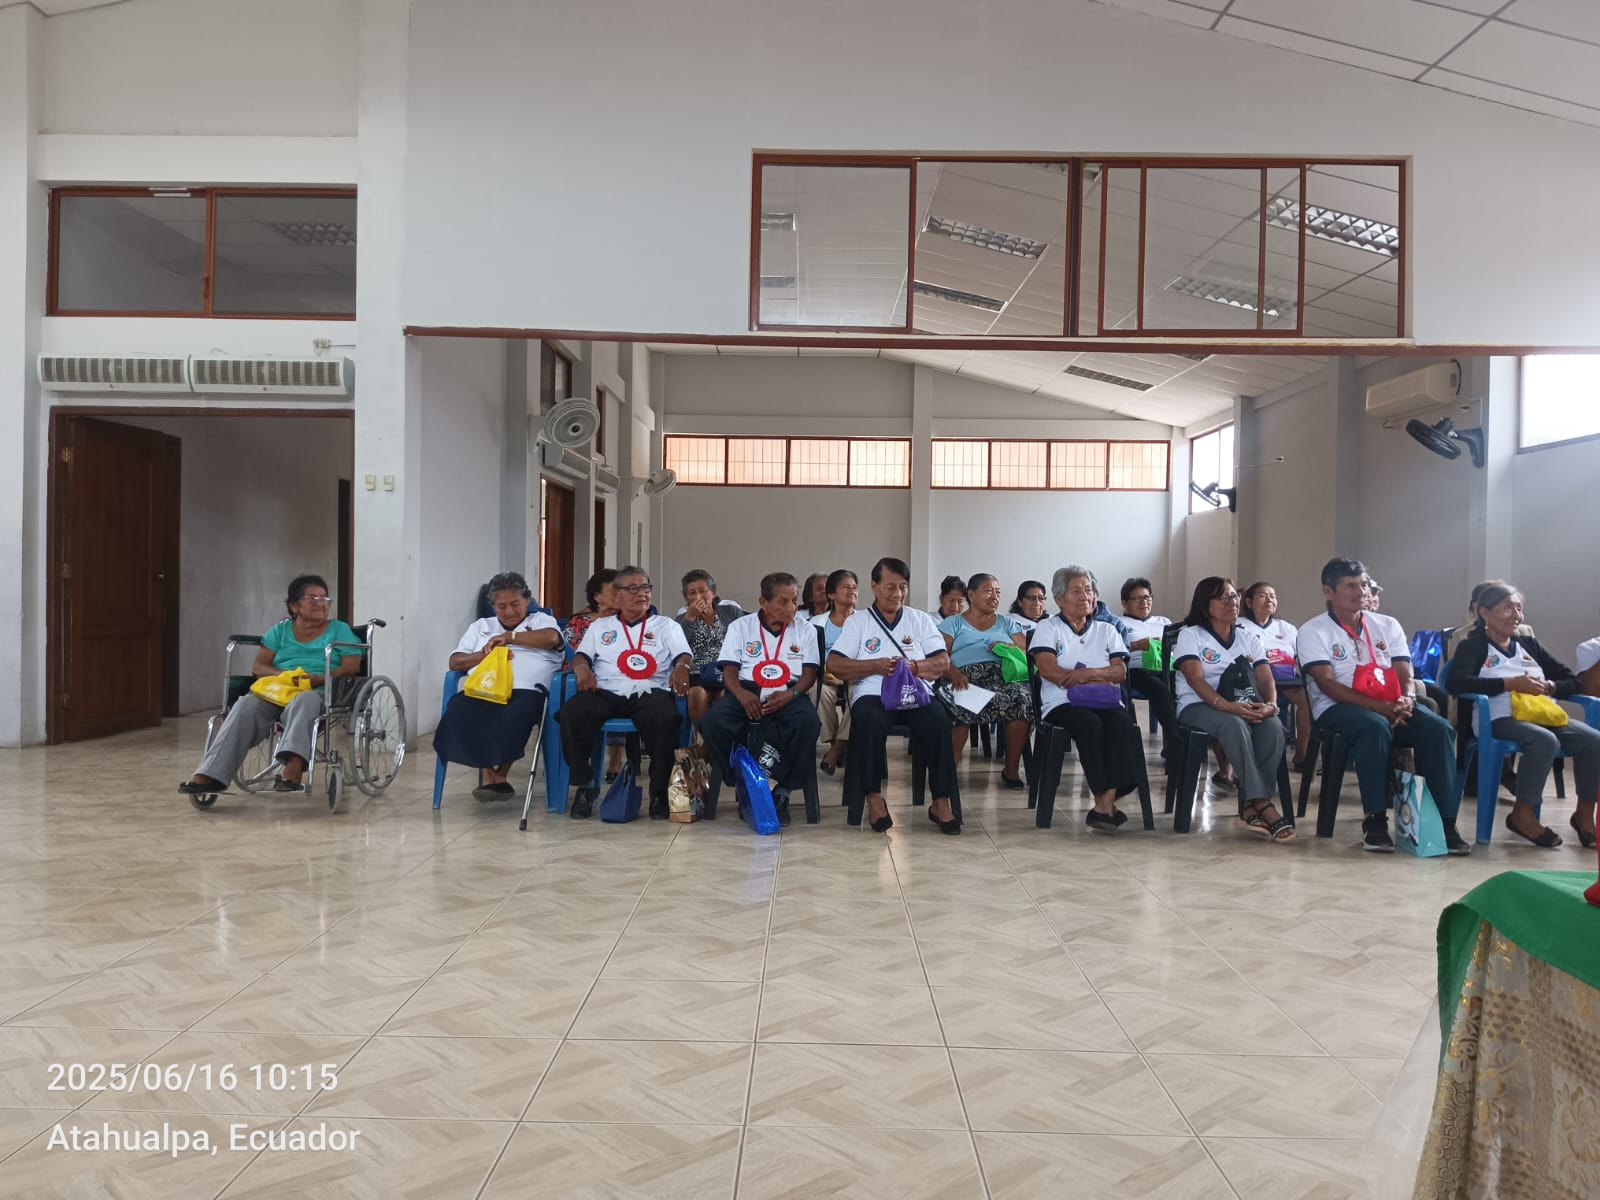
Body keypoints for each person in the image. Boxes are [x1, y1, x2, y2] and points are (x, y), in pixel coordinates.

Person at [1296, 557, 1470, 855]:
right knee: (1374, 727)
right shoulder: (1314, 630)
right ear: (1328, 591)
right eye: (1351, 586)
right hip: (1337, 707)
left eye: (1364, 585)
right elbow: (1327, 684)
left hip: (1391, 704)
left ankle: (1444, 822)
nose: (1361, 592)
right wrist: (1379, 708)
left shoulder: (1387, 625)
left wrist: (1407, 699)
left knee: (1438, 729)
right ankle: (1375, 820)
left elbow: (1404, 672)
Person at [1443, 581, 1599, 849]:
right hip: (1498, 719)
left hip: (1541, 715)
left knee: (1594, 741)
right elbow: (1456, 683)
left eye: (1519, 608)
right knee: (1544, 741)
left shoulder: (1528, 644)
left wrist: (1550, 687)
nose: (1516, 615)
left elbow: (1572, 681)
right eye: (1507, 608)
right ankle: (1522, 815)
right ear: (1484, 613)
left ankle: (1584, 815)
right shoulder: (1473, 646)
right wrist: (1508, 684)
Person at [179, 575, 363, 796]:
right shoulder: (280, 631)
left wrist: (320, 678)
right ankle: (211, 773)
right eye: (313, 598)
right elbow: (259, 667)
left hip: (320, 691)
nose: (320, 603)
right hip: (279, 691)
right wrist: (285, 676)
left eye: (324, 598)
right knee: (245, 705)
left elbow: (352, 665)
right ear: (294, 606)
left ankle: (294, 765)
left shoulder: (339, 629)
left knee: (304, 699)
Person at [828, 557, 959, 834]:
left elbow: (942, 662)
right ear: (874, 586)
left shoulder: (920, 620)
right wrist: (874, 666)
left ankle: (940, 799)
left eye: (903, 587)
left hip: (915, 693)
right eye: (890, 587)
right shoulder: (858, 622)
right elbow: (835, 663)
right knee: (867, 720)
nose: (897, 593)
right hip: (873, 693)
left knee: (938, 720)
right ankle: (873, 796)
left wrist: (915, 667)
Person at [563, 566, 693, 820]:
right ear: (617, 594)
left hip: (650, 690)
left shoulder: (665, 625)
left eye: (645, 587)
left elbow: (683, 654)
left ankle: (658, 791)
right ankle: (586, 784)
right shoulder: (601, 626)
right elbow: (581, 656)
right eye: (633, 588)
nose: (641, 594)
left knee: (665, 717)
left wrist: (681, 667)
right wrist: (581, 670)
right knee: (572, 713)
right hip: (606, 689)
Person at [1173, 577, 1292, 841]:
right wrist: (1227, 706)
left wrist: (1271, 705)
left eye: (1234, 597)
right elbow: (1195, 679)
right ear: (1205, 605)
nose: (1232, 602)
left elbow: (1265, 678)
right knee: (1234, 725)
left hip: (1244, 703)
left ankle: (1250, 805)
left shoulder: (1248, 637)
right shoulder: (1190, 635)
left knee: (1273, 727)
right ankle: (1261, 802)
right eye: (1223, 598)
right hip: (1197, 705)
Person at [698, 572, 822, 826]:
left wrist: (791, 694)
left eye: (794, 600)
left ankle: (782, 791)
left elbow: (809, 675)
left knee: (808, 723)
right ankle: (743, 782)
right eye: (783, 601)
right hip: (747, 689)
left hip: (789, 691)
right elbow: (729, 670)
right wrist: (742, 695)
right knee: (712, 721)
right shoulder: (741, 627)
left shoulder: (806, 629)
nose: (791, 607)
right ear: (763, 602)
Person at [434, 571, 564, 802]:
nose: (509, 611)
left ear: (527, 600)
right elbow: (455, 662)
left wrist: (510, 637)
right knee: (458, 709)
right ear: (493, 606)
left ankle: (500, 774)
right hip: (484, 688)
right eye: (502, 606)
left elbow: (553, 639)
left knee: (515, 713)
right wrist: (485, 654)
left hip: (527, 690)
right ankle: (491, 775)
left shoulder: (541, 621)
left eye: (515, 604)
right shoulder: (481, 626)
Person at [1030, 566, 1138, 832]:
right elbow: (1049, 670)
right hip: (1061, 702)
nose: (1084, 596)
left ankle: (1104, 802)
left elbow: (1120, 671)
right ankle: (1104, 800)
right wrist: (1098, 675)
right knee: (1089, 723)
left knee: (1122, 723)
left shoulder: (1107, 630)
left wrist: (1085, 674)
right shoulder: (1048, 628)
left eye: (1088, 590)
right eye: (1076, 591)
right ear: (1059, 598)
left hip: (1104, 700)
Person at [939, 573, 1031, 788]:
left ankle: (1011, 770)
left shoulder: (1007, 623)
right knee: (958, 704)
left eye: (998, 592)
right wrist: (954, 673)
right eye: (989, 591)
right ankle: (948, 771)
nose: (995, 597)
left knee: (1022, 700)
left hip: (1004, 678)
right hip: (964, 678)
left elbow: (1027, 652)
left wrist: (1007, 646)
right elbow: (939, 656)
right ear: (971, 595)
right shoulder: (953, 623)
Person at [1240, 580, 1312, 767]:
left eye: (1272, 596)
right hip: (1255, 679)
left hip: (1286, 679)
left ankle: (1302, 755)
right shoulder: (1239, 625)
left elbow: (1300, 655)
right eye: (1262, 596)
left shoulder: (1286, 628)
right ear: (1249, 602)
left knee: (1308, 699)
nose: (1269, 600)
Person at [677, 569, 743, 725]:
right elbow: (678, 646)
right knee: (697, 695)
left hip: (727, 671)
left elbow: (745, 639)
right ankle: (707, 737)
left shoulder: (731, 612)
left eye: (703, 591)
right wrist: (690, 618)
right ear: (686, 598)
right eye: (692, 593)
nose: (698, 597)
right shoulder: (680, 620)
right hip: (697, 673)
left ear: (713, 592)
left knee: (725, 697)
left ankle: (718, 739)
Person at [811, 569, 858, 775]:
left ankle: (836, 750)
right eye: (846, 587)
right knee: (818, 691)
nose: (852, 591)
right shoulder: (816, 623)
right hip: (826, 677)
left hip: (856, 676)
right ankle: (837, 745)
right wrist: (821, 671)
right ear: (831, 594)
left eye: (854, 587)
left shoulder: (865, 620)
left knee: (860, 696)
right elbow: (809, 655)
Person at [1119, 576, 1174, 754]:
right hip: (1136, 670)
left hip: (1166, 668)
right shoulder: (1119, 624)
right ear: (1125, 603)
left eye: (1147, 597)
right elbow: (1113, 651)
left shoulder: (1164, 622)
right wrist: (1138, 645)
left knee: (1182, 683)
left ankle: (1184, 735)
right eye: (1137, 599)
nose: (1144, 602)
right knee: (1158, 687)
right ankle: (1175, 736)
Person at [565, 568, 618, 651]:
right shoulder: (579, 622)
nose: (619, 595)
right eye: (613, 592)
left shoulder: (630, 619)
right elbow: (569, 652)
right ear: (596, 596)